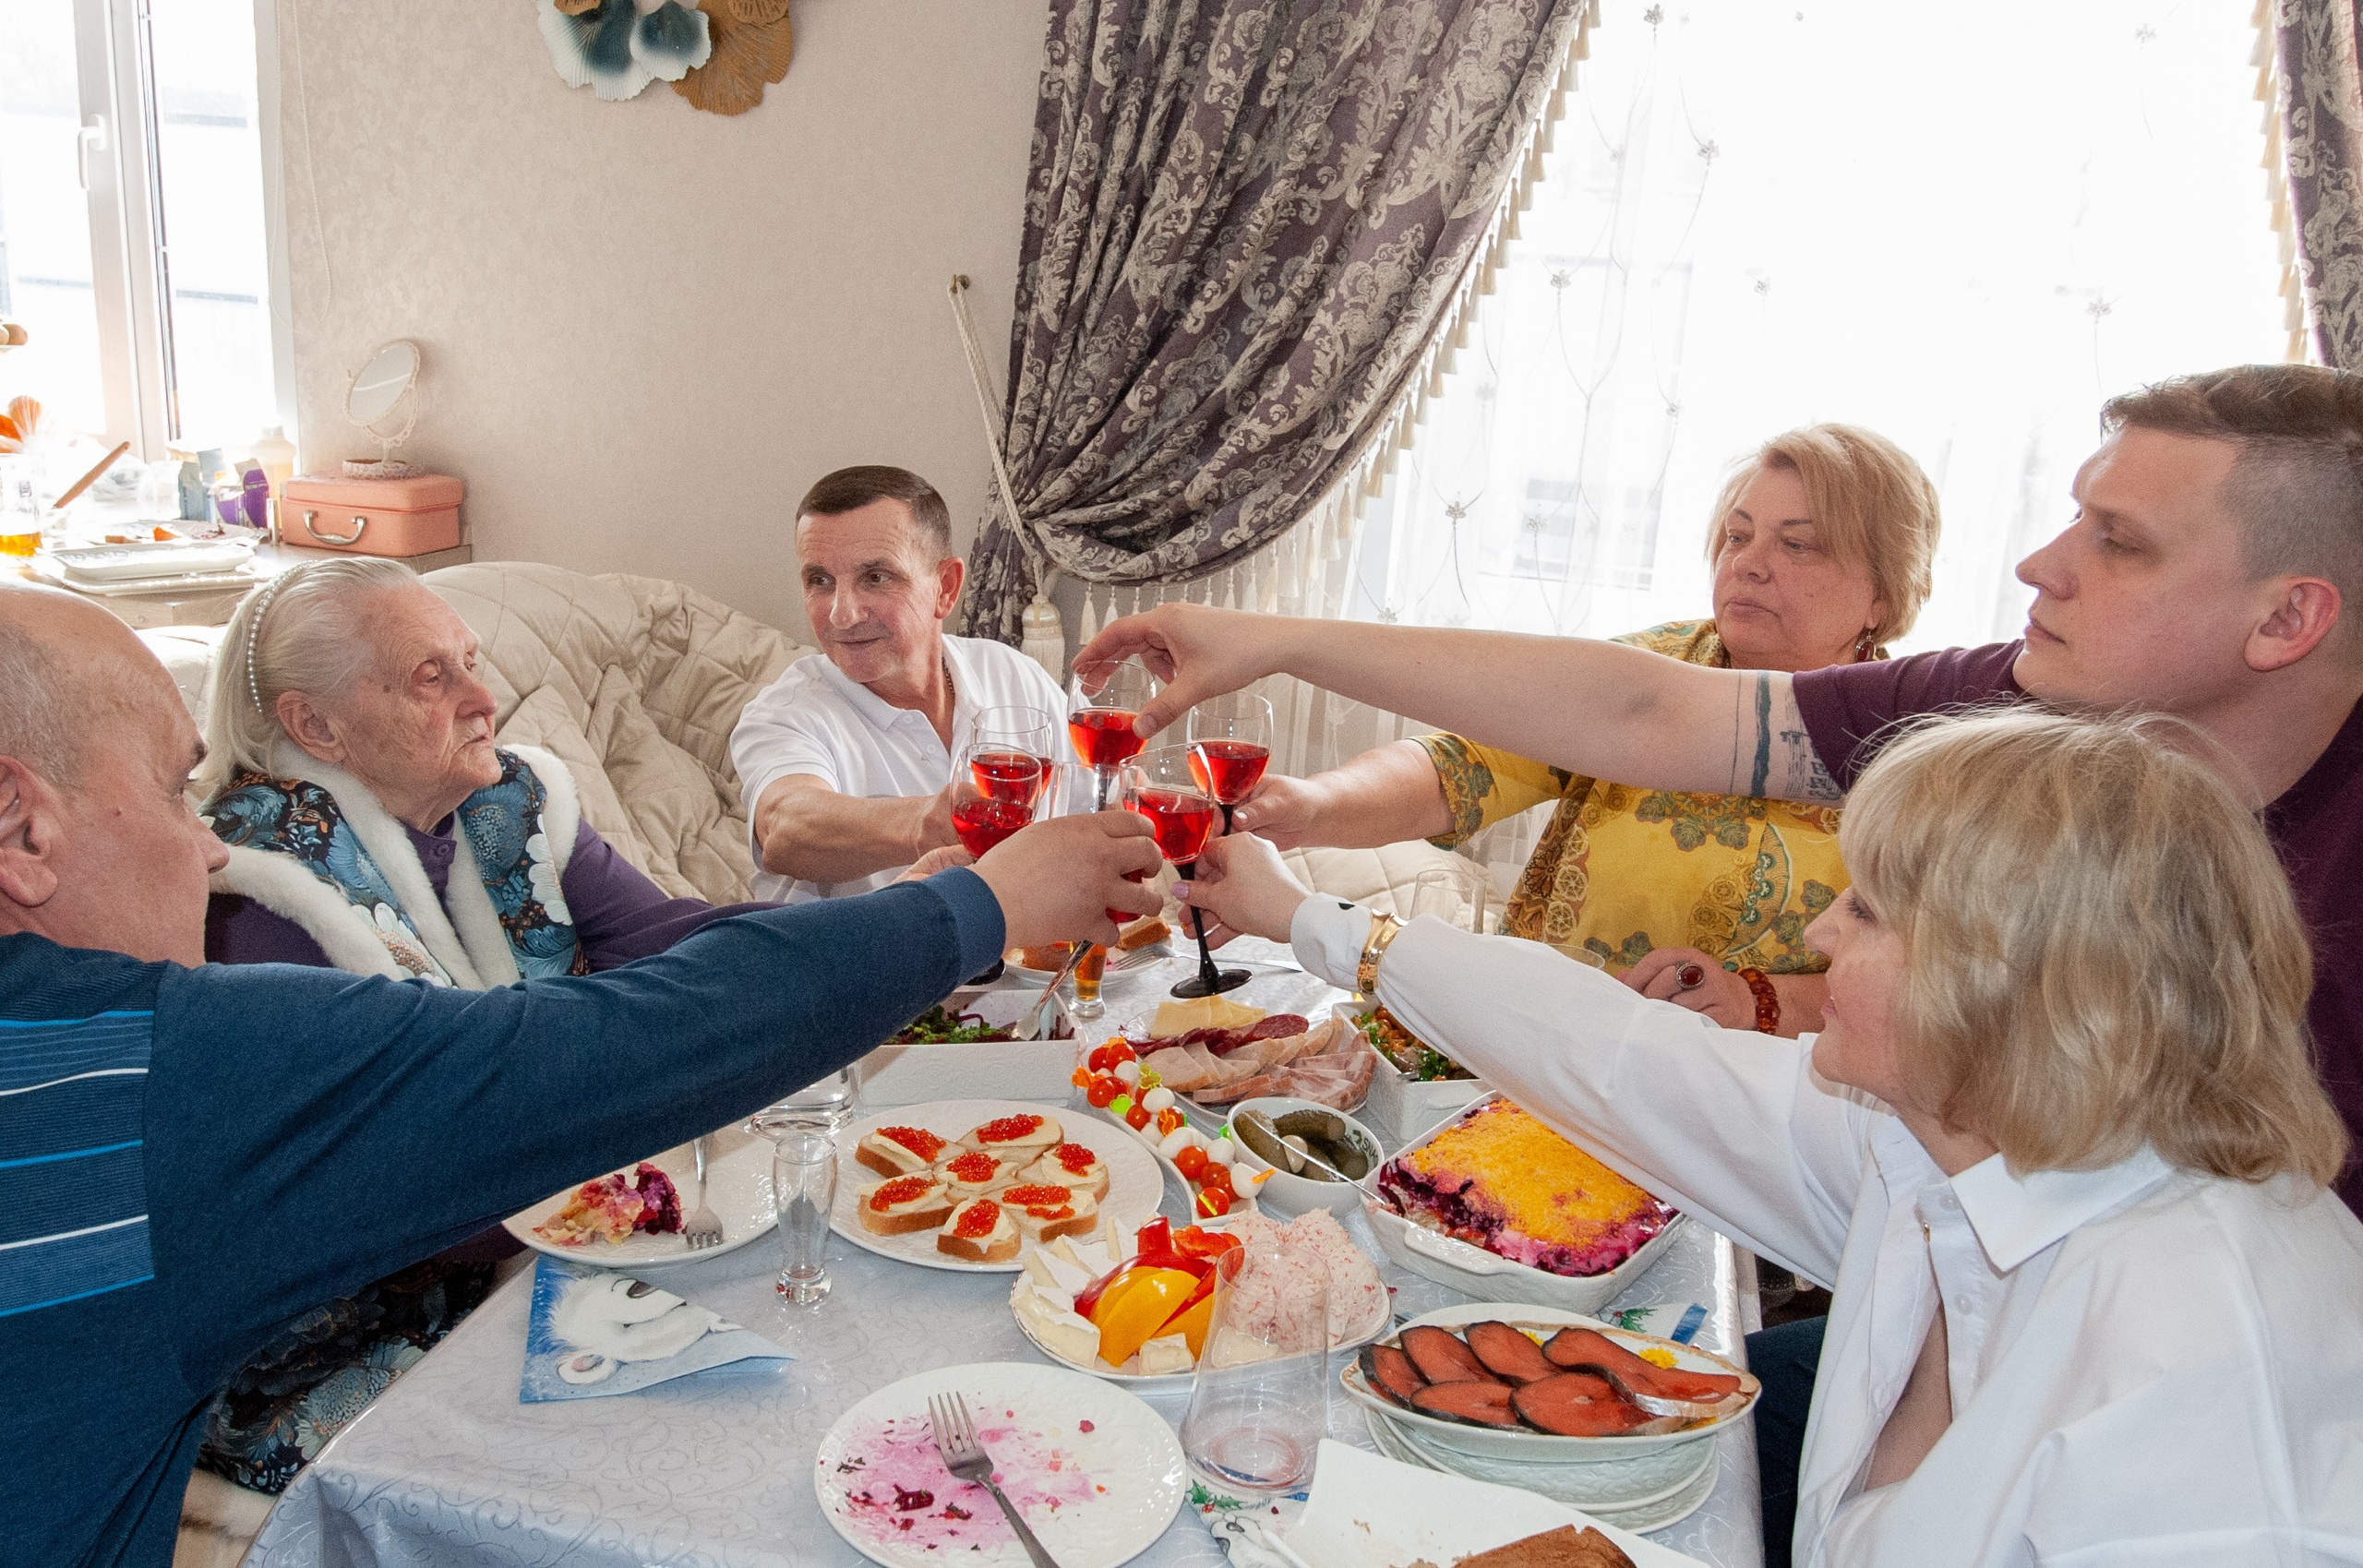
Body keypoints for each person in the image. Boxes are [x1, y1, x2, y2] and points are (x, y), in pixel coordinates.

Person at [0, 581, 1162, 1568]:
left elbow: (668, 955)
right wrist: (977, 907)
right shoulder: (187, 1031)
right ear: (22, 826)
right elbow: (570, 1064)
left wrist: (907, 912)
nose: (199, 840)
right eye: (166, 788)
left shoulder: (516, 803)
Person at [1078, 364, 2363, 1215]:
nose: (2041, 561)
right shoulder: (2021, 696)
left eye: (2118, 540)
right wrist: (1285, 639)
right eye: (1739, 535)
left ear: (2289, 617)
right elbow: (1649, 712)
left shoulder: (2029, 751)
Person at [1180, 710, 2363, 1566]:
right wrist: (1307, 918)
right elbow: (1617, 1056)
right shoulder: (1959, 1140)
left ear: (2011, 986)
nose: (1819, 927)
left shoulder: (2209, 1400)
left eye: (1867, 908)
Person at [184, 557, 788, 1492]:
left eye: (472, 659)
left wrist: (881, 929)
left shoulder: (507, 797)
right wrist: (630, 1107)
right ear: (315, 725)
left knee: (775, 1354)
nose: (487, 697)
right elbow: (401, 1186)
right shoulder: (258, 892)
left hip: (537, 1244)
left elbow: (664, 940)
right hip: (349, 1331)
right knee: (663, 1461)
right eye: (436, 676)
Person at [1239, 425, 1940, 1034]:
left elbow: (1935, 992)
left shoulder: (1921, 755)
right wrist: (1313, 805)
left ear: (1883, 590)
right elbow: (1464, 766)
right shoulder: (1648, 673)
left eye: (1799, 545)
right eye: (1737, 534)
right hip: (1535, 1051)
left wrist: (1760, 1002)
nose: (1749, 562)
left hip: (1733, 1113)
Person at [731, 465, 1072, 902]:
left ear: (945, 588)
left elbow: (1088, 808)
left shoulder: (1014, 675)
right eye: (820, 581)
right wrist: (922, 824)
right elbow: (784, 827)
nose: (842, 615)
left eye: (875, 577)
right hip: (860, 967)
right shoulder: (784, 713)